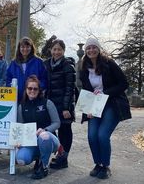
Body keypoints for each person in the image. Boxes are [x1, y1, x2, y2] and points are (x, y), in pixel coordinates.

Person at [80, 38, 132, 179]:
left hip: (111, 103)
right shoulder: (84, 67)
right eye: (88, 48)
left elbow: (123, 83)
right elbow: (86, 90)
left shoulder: (109, 63)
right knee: (92, 136)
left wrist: (105, 93)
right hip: (94, 105)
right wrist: (87, 109)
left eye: (94, 47)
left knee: (102, 135)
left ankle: (106, 166)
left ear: (98, 48)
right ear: (85, 51)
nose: (91, 50)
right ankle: (98, 164)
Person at [16, 75, 60, 179]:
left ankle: (44, 166)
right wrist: (18, 140)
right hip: (31, 142)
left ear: (39, 90)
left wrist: (45, 130)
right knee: (21, 159)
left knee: (44, 136)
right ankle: (39, 158)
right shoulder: (21, 106)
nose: (32, 91)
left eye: (35, 88)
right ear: (26, 89)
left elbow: (57, 123)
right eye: (30, 88)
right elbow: (20, 126)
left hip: (49, 140)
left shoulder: (47, 103)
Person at [43, 39, 76, 169]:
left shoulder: (68, 66)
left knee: (65, 131)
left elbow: (70, 88)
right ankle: (59, 153)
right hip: (50, 103)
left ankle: (63, 157)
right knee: (51, 130)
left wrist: (66, 107)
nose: (56, 52)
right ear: (51, 50)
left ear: (63, 51)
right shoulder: (46, 64)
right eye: (54, 49)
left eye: (59, 49)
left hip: (63, 105)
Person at [6, 37, 47, 102]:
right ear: (19, 48)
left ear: (31, 48)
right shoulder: (13, 63)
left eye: (27, 47)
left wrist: (37, 90)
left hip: (34, 99)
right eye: (22, 47)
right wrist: (11, 90)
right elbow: (8, 79)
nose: (25, 49)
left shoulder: (39, 62)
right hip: (16, 99)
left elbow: (44, 79)